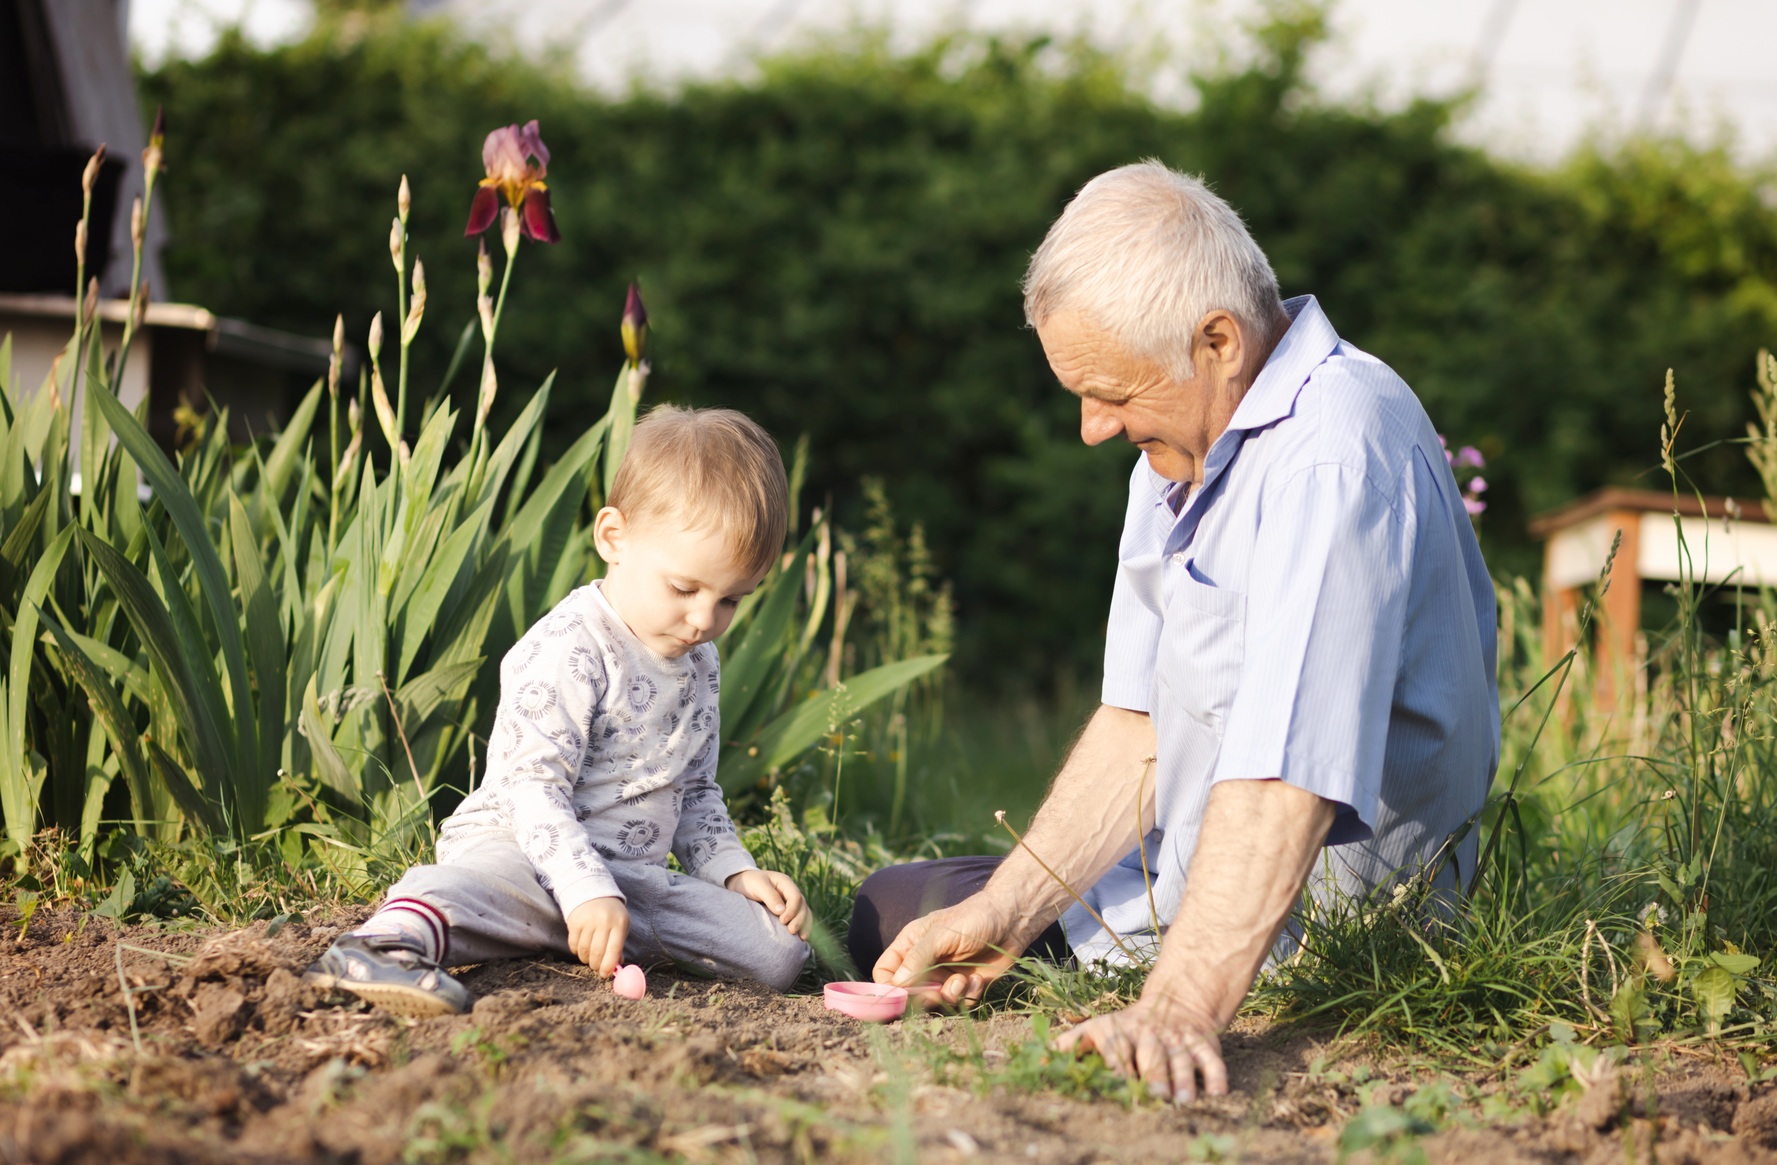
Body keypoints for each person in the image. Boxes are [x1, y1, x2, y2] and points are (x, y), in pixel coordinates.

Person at [849, 162, 1499, 1101]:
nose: (1090, 427)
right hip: (1187, 871)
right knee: (901, 909)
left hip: (1314, 931)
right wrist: (1011, 911)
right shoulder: (1182, 449)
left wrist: (1178, 1006)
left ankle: (1155, 971)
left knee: (889, 912)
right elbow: (1138, 724)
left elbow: (1290, 773)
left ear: (1218, 341)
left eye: (1110, 392)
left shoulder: (1330, 454)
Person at [308, 406, 814, 1016]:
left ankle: (561, 935)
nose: (705, 620)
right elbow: (533, 789)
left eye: (731, 599)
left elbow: (697, 791)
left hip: (627, 880)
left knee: (779, 953)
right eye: (684, 589)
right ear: (613, 538)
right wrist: (580, 888)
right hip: (523, 849)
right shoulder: (570, 647)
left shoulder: (699, 662)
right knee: (482, 886)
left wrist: (736, 873)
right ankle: (385, 942)